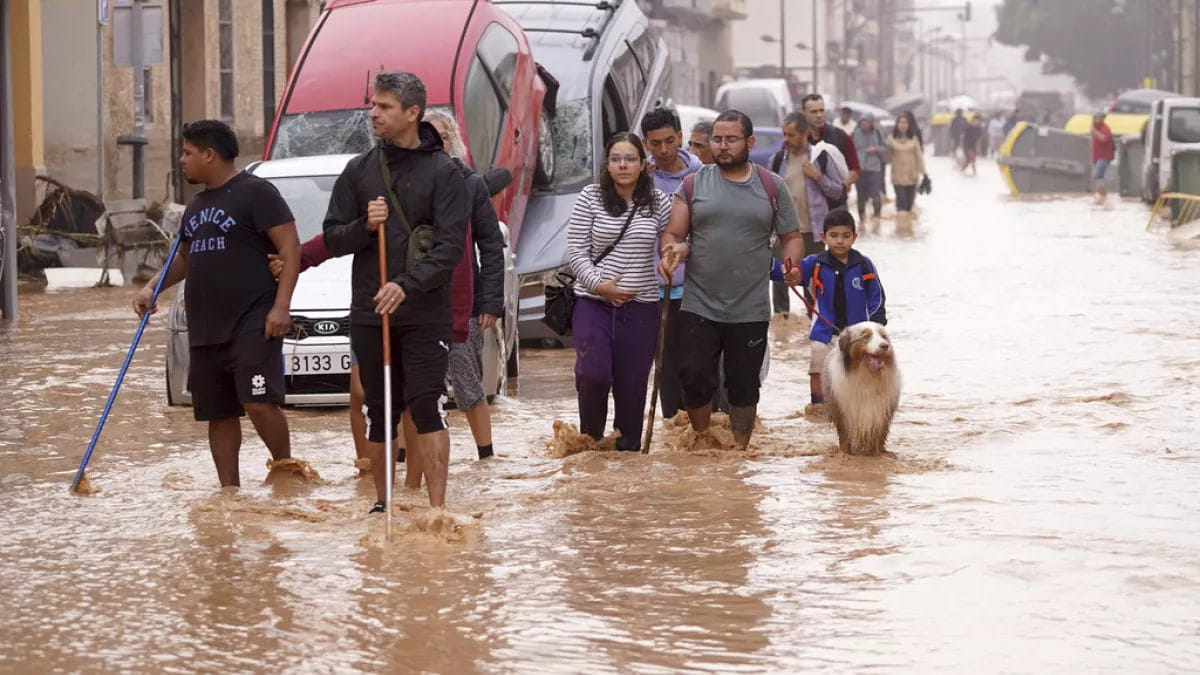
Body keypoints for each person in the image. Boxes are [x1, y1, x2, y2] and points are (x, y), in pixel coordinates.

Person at [322, 71, 469, 513]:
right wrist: (365, 226)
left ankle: (437, 510)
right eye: (373, 105)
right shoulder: (359, 170)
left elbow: (448, 249)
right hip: (371, 311)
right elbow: (332, 237)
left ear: (412, 113)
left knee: (427, 403)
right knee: (379, 408)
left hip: (425, 312)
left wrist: (405, 286)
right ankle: (382, 505)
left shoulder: (445, 173)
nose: (373, 113)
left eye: (384, 107)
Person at [133, 120, 301, 487]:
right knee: (218, 413)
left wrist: (282, 306)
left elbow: (290, 247)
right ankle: (229, 492)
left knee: (258, 401)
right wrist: (151, 288)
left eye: (187, 153)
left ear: (209, 155)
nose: (182, 160)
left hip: (253, 320)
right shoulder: (196, 206)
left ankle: (287, 469)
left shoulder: (257, 193)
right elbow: (184, 258)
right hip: (207, 326)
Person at [659, 110, 805, 449]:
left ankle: (739, 450)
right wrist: (672, 253)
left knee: (744, 386)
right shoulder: (694, 184)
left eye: (731, 139)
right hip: (699, 303)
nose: (722, 147)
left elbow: (792, 237)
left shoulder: (772, 186)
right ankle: (701, 439)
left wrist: (791, 265)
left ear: (749, 142)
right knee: (694, 376)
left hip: (750, 307)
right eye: (717, 140)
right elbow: (673, 233)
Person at [566, 132, 672, 451]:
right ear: (607, 164)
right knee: (593, 374)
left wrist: (671, 256)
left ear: (643, 164)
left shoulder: (659, 202)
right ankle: (591, 444)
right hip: (592, 302)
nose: (623, 165)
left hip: (641, 308)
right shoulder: (590, 197)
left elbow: (677, 238)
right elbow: (575, 250)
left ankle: (627, 456)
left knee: (632, 385)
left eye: (630, 159)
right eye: (616, 159)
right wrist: (600, 285)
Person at [769, 208, 886, 417]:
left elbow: (877, 297)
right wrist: (768, 263)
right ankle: (818, 408)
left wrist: (876, 325)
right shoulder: (814, 264)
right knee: (817, 368)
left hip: (859, 336)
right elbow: (787, 273)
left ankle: (861, 409)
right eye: (833, 235)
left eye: (845, 236)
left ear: (854, 237)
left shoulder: (864, 265)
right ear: (823, 237)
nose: (839, 241)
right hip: (825, 332)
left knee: (863, 372)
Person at [641, 109, 704, 421]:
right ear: (646, 144)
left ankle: (700, 424)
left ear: (680, 137)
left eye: (669, 141)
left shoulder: (703, 177)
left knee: (697, 364)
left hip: (699, 289)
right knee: (664, 366)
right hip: (654, 290)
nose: (663, 150)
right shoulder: (641, 181)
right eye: (655, 144)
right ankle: (673, 427)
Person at [801, 94, 859, 209]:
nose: (819, 115)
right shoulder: (797, 140)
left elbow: (855, 168)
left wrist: (844, 185)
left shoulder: (840, 137)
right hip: (806, 206)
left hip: (835, 204)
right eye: (813, 112)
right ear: (803, 113)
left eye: (822, 111)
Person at [888, 112, 925, 224]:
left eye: (905, 122)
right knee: (901, 205)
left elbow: (919, 157)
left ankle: (907, 232)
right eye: (901, 122)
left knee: (909, 207)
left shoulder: (914, 139)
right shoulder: (890, 139)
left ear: (909, 125)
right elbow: (886, 158)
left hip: (912, 176)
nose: (903, 125)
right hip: (897, 177)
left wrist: (925, 174)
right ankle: (901, 232)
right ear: (897, 124)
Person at [852, 115, 887, 224]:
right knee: (860, 195)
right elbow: (849, 149)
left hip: (875, 168)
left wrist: (876, 149)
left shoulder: (877, 133)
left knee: (876, 194)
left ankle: (877, 218)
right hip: (859, 168)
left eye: (866, 123)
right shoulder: (855, 134)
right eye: (862, 123)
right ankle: (862, 220)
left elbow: (885, 148)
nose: (864, 125)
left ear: (871, 123)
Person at [1091, 112, 1115, 203]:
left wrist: (1095, 132)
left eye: (1097, 118)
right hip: (1097, 157)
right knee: (1099, 177)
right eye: (1094, 118)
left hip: (1104, 157)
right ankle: (1101, 197)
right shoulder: (1096, 128)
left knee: (1098, 176)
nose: (1095, 120)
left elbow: (1104, 139)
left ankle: (1103, 197)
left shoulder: (1104, 128)